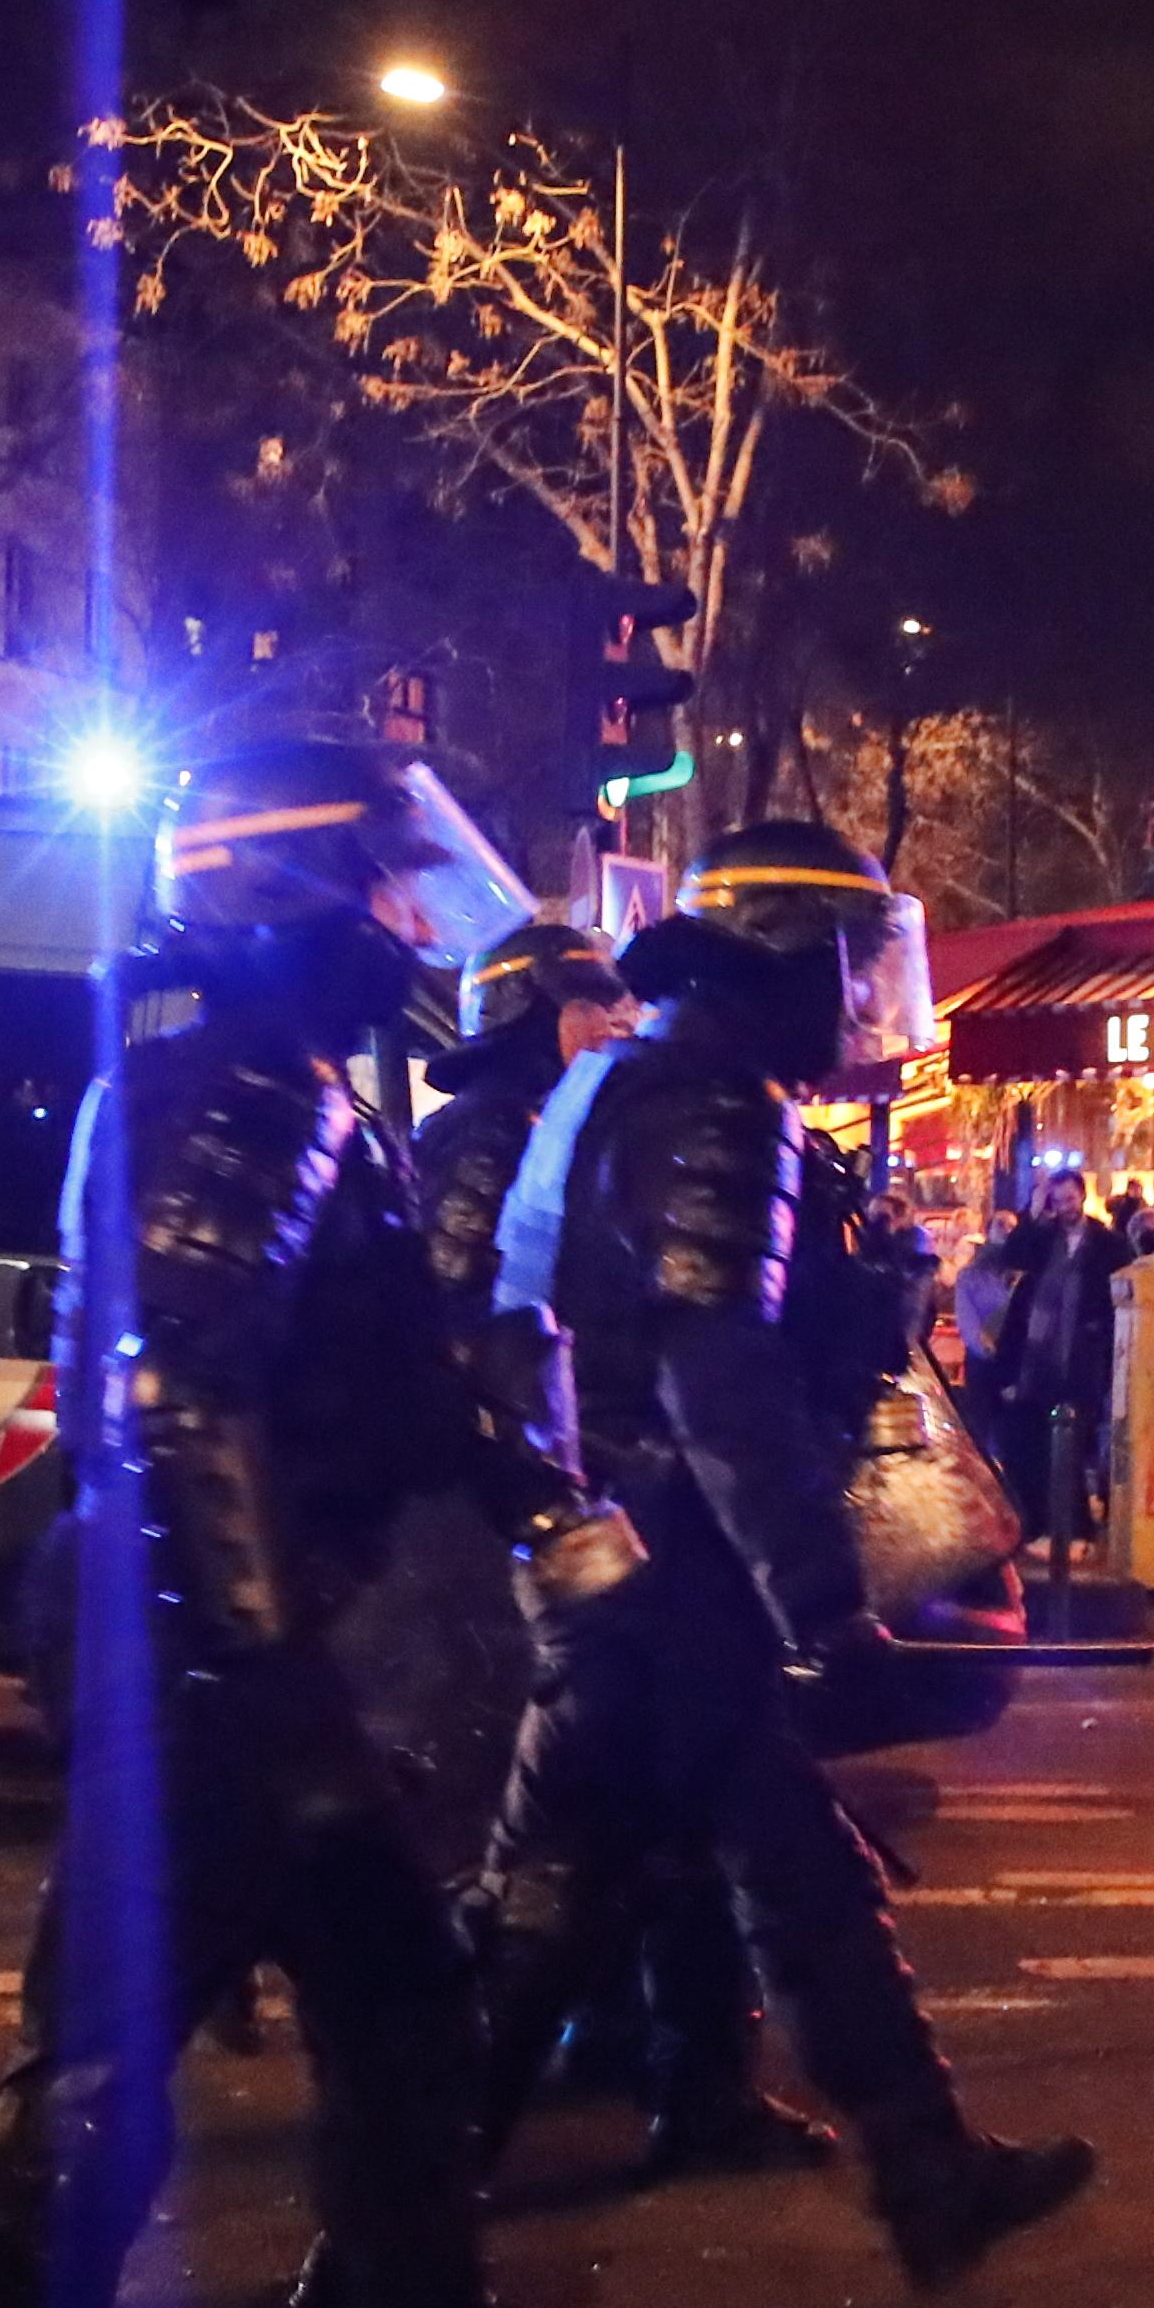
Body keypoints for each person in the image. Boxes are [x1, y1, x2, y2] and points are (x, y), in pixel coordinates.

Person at [0, 742, 636, 2308]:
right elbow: (186, 1392)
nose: (412, 930)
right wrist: (259, 1662)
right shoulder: (248, 1100)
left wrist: (541, 1496)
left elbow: (367, 1375)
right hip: (219, 1664)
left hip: (233, 1648)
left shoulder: (274, 1090)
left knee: (398, 2035)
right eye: (385, 893)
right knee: (106, 2092)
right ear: (301, 901)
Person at [485, 818, 1096, 2289]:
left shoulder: (617, 1084)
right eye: (848, 962)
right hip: (678, 1570)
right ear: (790, 961)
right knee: (566, 1923)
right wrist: (815, 1594)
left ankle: (927, 2168)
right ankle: (378, 2255)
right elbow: (717, 1377)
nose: (859, 999)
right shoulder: (718, 1109)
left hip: (619, 1554)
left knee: (761, 1881)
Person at [407, 923, 818, 2177]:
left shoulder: (574, 1117)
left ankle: (683, 2075)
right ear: (537, 1013)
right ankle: (408, 2199)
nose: (619, 1018)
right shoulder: (493, 1133)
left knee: (661, 1830)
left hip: (590, 1500)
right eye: (592, 1001)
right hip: (550, 1507)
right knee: (558, 1846)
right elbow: (469, 1311)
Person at [972, 1169, 1123, 1534]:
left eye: (1070, 1199)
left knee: (1073, 1447)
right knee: (1034, 1444)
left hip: (1082, 1356)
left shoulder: (1108, 1243)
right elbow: (1011, 1254)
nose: (1065, 1208)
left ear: (1083, 1197)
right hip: (1036, 1361)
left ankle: (1074, 1527)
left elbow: (1118, 1296)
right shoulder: (1042, 1239)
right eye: (1058, 1201)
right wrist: (1034, 1213)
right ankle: (1039, 1523)